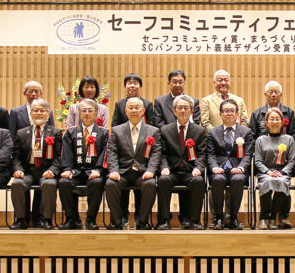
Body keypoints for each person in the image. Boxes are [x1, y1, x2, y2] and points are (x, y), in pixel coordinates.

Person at [105, 97, 162, 230]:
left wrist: (151, 170)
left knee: (150, 184)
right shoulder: (117, 130)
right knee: (110, 184)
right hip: (122, 172)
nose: (134, 110)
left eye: (137, 108)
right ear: (126, 111)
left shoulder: (153, 131)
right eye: (131, 108)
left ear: (143, 111)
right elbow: (112, 152)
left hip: (143, 172)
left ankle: (142, 222)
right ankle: (117, 222)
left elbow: (156, 153)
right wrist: (114, 170)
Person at [9, 98, 62, 230]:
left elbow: (59, 157)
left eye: (42, 111)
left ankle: (47, 219)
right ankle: (21, 219)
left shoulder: (55, 133)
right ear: (31, 113)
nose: (38, 113)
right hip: (28, 171)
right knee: (17, 184)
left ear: (48, 114)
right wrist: (18, 169)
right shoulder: (21, 133)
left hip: (46, 171)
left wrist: (53, 170)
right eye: (35, 111)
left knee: (49, 184)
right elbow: (15, 157)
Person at [157, 95, 208, 230]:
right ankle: (164, 221)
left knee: (198, 181)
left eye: (186, 108)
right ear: (174, 111)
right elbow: (162, 154)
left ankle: (195, 221)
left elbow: (202, 154)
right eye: (180, 108)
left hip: (190, 171)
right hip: (172, 171)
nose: (183, 111)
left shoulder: (200, 131)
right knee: (163, 180)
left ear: (191, 111)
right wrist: (164, 167)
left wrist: (198, 168)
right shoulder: (165, 130)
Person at [58, 99, 109, 230]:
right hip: (75, 171)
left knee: (97, 182)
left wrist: (99, 170)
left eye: (90, 110)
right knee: (63, 182)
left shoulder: (104, 133)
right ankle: (72, 219)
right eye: (84, 111)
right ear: (79, 113)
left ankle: (91, 219)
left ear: (96, 113)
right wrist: (67, 169)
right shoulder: (70, 132)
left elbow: (105, 153)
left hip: (94, 171)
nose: (87, 113)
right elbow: (66, 152)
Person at [205, 99, 255, 230]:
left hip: (237, 168)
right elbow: (210, 154)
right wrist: (214, 167)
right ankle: (218, 218)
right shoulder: (213, 132)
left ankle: (233, 218)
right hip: (219, 169)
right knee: (217, 180)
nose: (229, 113)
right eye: (226, 111)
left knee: (238, 179)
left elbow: (248, 154)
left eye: (232, 110)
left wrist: (241, 167)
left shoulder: (246, 132)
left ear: (237, 113)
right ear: (220, 114)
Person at [254, 107, 295, 230]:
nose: (274, 122)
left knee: (281, 182)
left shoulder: (289, 139)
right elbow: (257, 161)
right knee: (268, 182)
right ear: (266, 123)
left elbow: (292, 160)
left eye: (277, 119)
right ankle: (263, 217)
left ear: (282, 122)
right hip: (265, 173)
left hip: (283, 173)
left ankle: (273, 217)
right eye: (271, 119)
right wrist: (268, 172)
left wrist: (282, 172)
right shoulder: (260, 140)